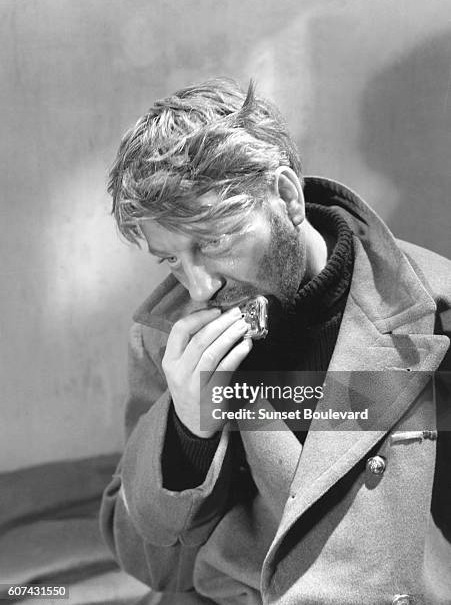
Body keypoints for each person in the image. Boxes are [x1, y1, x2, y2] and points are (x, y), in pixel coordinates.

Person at [100, 78, 451, 605]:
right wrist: (187, 432)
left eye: (213, 241)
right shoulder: (164, 337)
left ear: (286, 197)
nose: (199, 287)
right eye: (171, 259)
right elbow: (151, 565)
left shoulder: (434, 314)